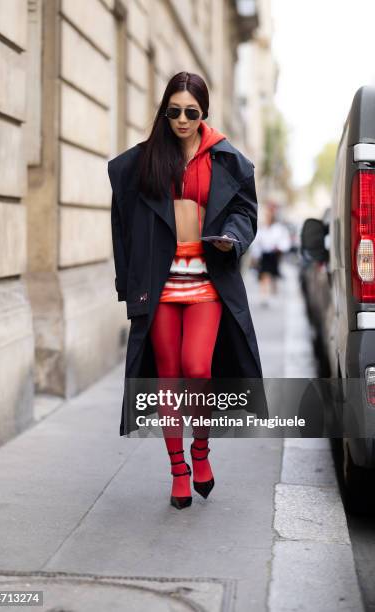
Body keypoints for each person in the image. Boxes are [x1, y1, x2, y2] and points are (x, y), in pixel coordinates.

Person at [108, 71, 265, 510]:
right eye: (173, 111)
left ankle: (201, 449)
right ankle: (178, 470)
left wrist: (231, 237)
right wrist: (129, 284)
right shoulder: (143, 163)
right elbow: (122, 226)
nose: (181, 119)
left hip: (206, 286)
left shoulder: (227, 160)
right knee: (168, 382)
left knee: (197, 369)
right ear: (164, 112)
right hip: (160, 289)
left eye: (190, 112)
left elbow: (244, 213)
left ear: (204, 114)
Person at [250, 204, 291, 306]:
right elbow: (257, 243)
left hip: (274, 255)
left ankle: (271, 291)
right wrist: (255, 257)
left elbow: (284, 242)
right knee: (264, 275)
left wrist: (279, 248)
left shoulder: (279, 229)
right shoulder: (262, 229)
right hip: (264, 255)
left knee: (272, 275)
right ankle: (265, 296)